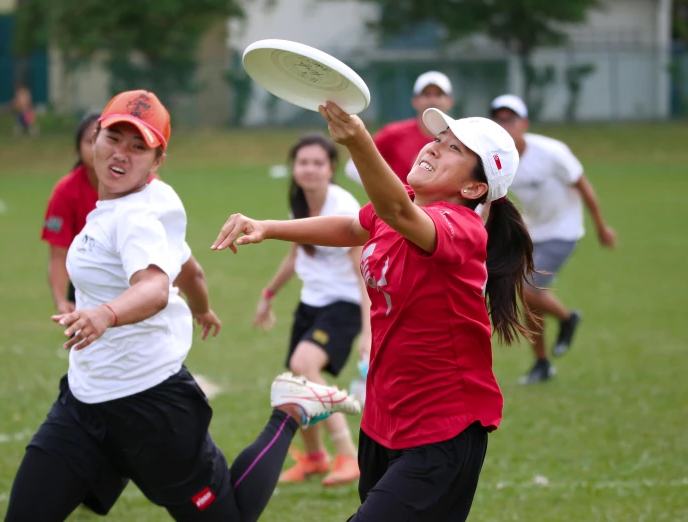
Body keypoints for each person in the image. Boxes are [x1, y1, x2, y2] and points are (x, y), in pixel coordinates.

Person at [5, 90, 360, 522]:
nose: (122, 154)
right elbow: (189, 269)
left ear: (157, 161)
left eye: (139, 147)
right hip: (82, 404)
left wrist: (104, 314)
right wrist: (202, 306)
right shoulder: (159, 198)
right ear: (94, 138)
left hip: (152, 409)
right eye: (114, 138)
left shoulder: (134, 220)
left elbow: (155, 288)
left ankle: (289, 412)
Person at [212, 101, 536, 521]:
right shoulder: (399, 206)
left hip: (443, 427)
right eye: (438, 139)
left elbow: (395, 213)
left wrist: (358, 141)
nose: (435, 148)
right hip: (383, 419)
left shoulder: (461, 228)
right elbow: (351, 227)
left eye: (454, 149)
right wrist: (268, 228)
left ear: (475, 189)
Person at [254, 133, 369, 486]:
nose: (309, 170)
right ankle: (316, 459)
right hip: (311, 304)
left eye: (318, 163)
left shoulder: (344, 206)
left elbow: (362, 271)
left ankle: (348, 455)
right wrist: (269, 292)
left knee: (304, 365)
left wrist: (369, 329)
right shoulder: (299, 205)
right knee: (298, 381)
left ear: (331, 168)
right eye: (303, 163)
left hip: (344, 305)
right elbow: (295, 253)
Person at [489, 94, 617, 384]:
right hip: (533, 232)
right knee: (531, 300)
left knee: (525, 288)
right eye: (498, 119)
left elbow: (583, 186)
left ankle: (567, 317)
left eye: (510, 118)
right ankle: (542, 363)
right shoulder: (500, 159)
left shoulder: (551, 152)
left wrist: (601, 226)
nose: (504, 124)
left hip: (564, 230)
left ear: (524, 123)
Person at [344, 70, 454, 185]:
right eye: (426, 95)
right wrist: (390, 193)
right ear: (414, 101)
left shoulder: (460, 138)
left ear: (450, 101)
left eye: (438, 95)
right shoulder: (393, 134)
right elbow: (353, 168)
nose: (432, 100)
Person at [41, 111, 102, 314]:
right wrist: (61, 302)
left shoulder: (146, 186)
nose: (96, 148)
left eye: (102, 139)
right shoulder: (65, 191)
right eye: (89, 141)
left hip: (133, 282)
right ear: (78, 148)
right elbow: (58, 255)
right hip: (84, 287)